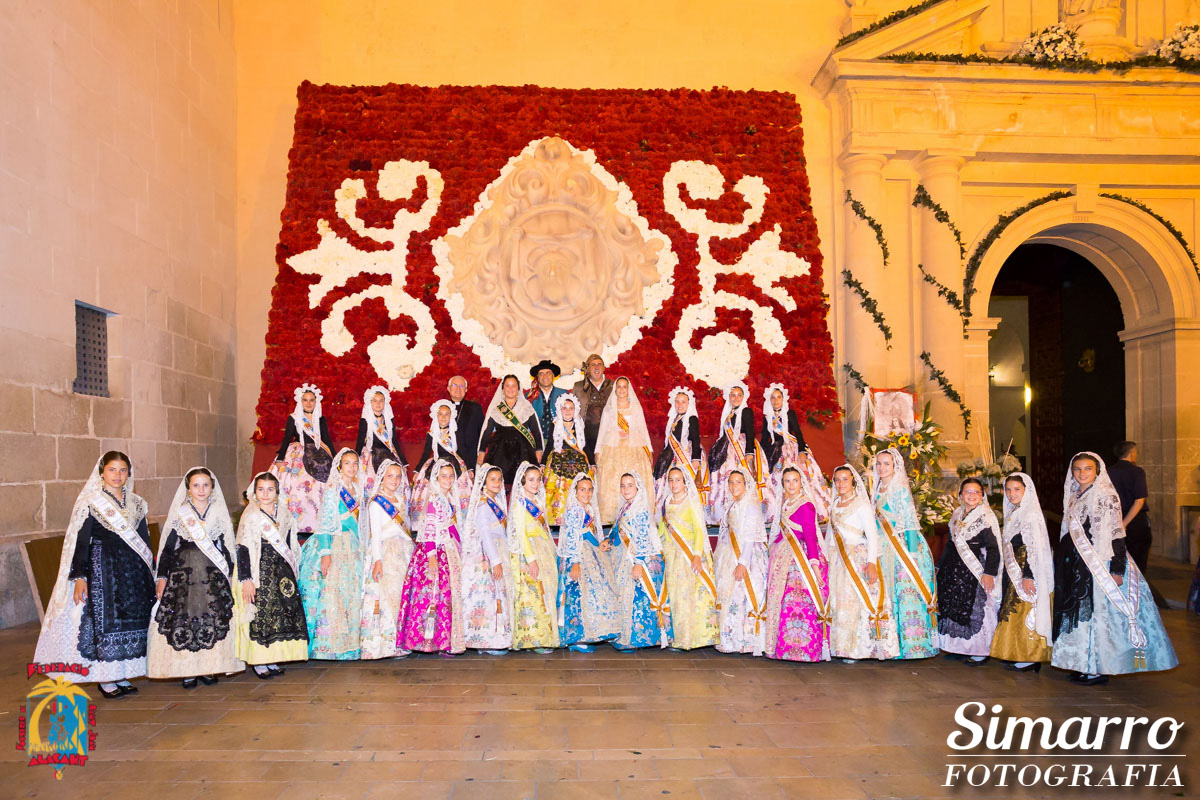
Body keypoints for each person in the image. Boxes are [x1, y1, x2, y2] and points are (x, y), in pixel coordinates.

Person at [34, 452, 155, 699]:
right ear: (102, 472)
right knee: (104, 623)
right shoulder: (90, 502)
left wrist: (150, 571)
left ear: (129, 473)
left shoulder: (137, 503)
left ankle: (121, 673)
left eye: (123, 470)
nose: (117, 475)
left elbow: (144, 539)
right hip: (102, 570)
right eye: (112, 469)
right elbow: (81, 543)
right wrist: (80, 577)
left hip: (132, 571)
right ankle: (105, 678)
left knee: (128, 622)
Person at [1052, 452, 1178, 684]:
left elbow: (1116, 532)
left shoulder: (1105, 495)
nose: (1082, 473)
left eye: (1088, 469)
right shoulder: (1074, 494)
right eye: (1077, 469)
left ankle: (1100, 668)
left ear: (1097, 471)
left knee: (1100, 617)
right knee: (1082, 614)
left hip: (1101, 561)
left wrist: (1117, 569)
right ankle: (1083, 663)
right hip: (1078, 564)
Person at [148, 467, 243, 687]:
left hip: (212, 574)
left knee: (211, 616)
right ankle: (188, 670)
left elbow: (227, 547)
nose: (201, 489)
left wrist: (231, 574)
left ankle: (208, 667)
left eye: (205, 485)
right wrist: (161, 577)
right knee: (185, 618)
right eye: (196, 485)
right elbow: (168, 548)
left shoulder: (218, 513)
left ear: (212, 488)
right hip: (184, 574)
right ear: (188, 489)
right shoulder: (181, 513)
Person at [234, 472, 308, 679]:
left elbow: (289, 543)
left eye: (270, 489)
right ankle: (259, 661)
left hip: (281, 568)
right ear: (254, 492)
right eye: (261, 489)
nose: (265, 494)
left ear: (277, 492)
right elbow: (242, 548)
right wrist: (246, 580)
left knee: (281, 613)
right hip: (259, 568)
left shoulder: (284, 514)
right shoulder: (250, 515)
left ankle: (273, 657)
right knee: (262, 613)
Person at [870, 448, 938, 659]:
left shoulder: (899, 488)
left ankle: (910, 647)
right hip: (883, 548)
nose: (882, 468)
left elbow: (909, 522)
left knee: (905, 595)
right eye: (879, 463)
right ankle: (889, 645)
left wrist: (913, 555)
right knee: (887, 595)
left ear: (895, 466)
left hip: (902, 548)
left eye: (886, 464)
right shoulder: (877, 487)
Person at [825, 464, 899, 661]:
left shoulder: (861, 504)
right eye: (837, 480)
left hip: (857, 557)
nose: (841, 483)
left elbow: (872, 535)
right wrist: (827, 555)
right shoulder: (835, 503)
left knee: (857, 601)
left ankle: (860, 649)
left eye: (845, 479)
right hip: (838, 557)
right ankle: (843, 647)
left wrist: (871, 562)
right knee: (841, 602)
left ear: (853, 481)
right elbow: (831, 533)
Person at [298, 448, 365, 660]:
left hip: (352, 545)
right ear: (339, 466)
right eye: (347, 463)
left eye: (355, 463)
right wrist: (325, 554)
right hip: (334, 544)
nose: (352, 467)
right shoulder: (333, 491)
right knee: (332, 591)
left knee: (351, 593)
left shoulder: (357, 489)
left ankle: (351, 644)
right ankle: (329, 646)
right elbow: (325, 524)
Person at [397, 460, 466, 656]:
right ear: (436, 478)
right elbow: (429, 529)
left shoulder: (447, 498)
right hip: (435, 550)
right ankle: (431, 640)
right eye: (444, 476)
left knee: (448, 595)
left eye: (451, 476)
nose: (448, 479)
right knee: (434, 595)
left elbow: (451, 526)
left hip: (448, 548)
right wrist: (431, 556)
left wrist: (460, 545)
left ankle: (447, 640)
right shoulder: (434, 500)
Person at [765, 467, 830, 662]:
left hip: (801, 561)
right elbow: (782, 532)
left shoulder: (806, 505)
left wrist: (815, 567)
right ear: (783, 484)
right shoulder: (786, 504)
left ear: (801, 482)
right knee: (783, 603)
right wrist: (772, 549)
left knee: (799, 604)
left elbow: (810, 537)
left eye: (795, 480)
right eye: (787, 481)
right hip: (784, 556)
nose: (791, 485)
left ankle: (804, 650)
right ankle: (784, 648)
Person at [990, 473, 1053, 672]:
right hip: (1014, 567)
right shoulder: (1015, 512)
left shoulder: (1030, 514)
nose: (1012, 493)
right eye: (1008, 489)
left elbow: (1034, 548)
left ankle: (1030, 657)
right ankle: (1017, 652)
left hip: (1027, 568)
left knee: (1026, 611)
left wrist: (1028, 576)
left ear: (1027, 490)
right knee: (1014, 611)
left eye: (1017, 489)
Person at [939, 478, 1002, 665]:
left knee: (976, 608)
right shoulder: (957, 513)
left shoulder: (986, 516)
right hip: (954, 568)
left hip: (975, 569)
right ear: (960, 495)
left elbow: (993, 548)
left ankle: (980, 650)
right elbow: (950, 544)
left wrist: (989, 573)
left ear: (982, 495)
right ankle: (958, 647)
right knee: (954, 606)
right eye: (968, 491)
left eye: (976, 492)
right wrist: (940, 566)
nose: (972, 495)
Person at [557, 474, 622, 651]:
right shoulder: (574, 510)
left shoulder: (589, 509)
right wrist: (575, 563)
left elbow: (593, 534)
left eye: (589, 490)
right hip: (578, 555)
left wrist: (600, 544)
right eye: (582, 490)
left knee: (596, 593)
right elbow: (572, 538)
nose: (586, 493)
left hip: (591, 553)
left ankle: (593, 633)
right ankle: (577, 638)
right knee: (580, 594)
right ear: (575, 492)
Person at [658, 466, 719, 650]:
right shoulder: (667, 501)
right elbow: (663, 529)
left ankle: (690, 639)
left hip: (689, 554)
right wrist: (658, 549)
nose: (674, 484)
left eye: (678, 480)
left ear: (685, 482)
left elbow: (699, 530)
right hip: (671, 555)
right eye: (671, 480)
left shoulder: (691, 501)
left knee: (688, 597)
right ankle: (676, 636)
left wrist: (697, 556)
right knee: (675, 597)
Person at [359, 460, 416, 660]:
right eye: (390, 476)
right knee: (386, 596)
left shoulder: (400, 498)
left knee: (402, 596)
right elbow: (375, 535)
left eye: (398, 476)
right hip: (385, 552)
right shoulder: (376, 502)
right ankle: (386, 644)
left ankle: (401, 641)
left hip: (403, 551)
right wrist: (378, 561)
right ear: (382, 478)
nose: (394, 480)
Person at [612, 473, 672, 650]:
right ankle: (626, 635)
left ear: (638, 487)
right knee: (625, 596)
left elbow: (643, 538)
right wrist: (608, 540)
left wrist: (638, 563)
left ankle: (639, 638)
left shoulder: (640, 509)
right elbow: (618, 530)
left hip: (640, 559)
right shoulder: (625, 507)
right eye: (623, 485)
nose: (626, 489)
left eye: (630, 485)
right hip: (625, 557)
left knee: (638, 597)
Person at [715, 467, 769, 655]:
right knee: (729, 596)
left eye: (738, 482)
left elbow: (750, 536)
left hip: (747, 556)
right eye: (731, 482)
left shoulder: (750, 505)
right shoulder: (733, 504)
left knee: (742, 595)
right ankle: (729, 639)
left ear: (746, 484)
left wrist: (743, 563)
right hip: (730, 554)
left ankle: (747, 641)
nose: (734, 486)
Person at [460, 465, 513, 654]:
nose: (497, 483)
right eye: (492, 479)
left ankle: (495, 639)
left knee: (498, 596)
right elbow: (485, 534)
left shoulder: (494, 501)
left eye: (499, 479)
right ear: (484, 482)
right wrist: (496, 560)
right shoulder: (483, 505)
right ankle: (485, 640)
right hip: (486, 555)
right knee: (488, 597)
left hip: (497, 550)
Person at [1107, 441, 1167, 608]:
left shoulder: (1108, 471)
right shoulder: (1136, 471)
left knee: (1117, 561)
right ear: (1132, 453)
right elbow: (1139, 501)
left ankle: (1118, 598)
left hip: (1114, 520)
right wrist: (1125, 523)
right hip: (1134, 522)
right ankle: (1138, 601)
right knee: (1137, 564)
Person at [507, 462, 559, 652]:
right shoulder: (520, 503)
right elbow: (521, 534)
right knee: (533, 595)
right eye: (531, 480)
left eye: (537, 480)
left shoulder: (537, 500)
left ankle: (546, 635)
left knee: (546, 592)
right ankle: (533, 639)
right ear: (523, 481)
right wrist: (531, 560)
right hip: (528, 552)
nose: (535, 483)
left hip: (542, 547)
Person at [706, 382, 771, 526]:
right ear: (729, 397)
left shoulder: (746, 411)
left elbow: (750, 432)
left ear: (743, 397)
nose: (736, 398)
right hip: (728, 449)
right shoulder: (728, 413)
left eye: (739, 395)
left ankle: (748, 512)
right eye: (733, 395)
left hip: (742, 448)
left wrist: (749, 453)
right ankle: (726, 513)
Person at [273, 384, 335, 534]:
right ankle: (296, 525)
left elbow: (326, 440)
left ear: (316, 401)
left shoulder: (320, 419)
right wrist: (280, 459)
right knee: (296, 487)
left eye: (311, 400)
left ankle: (317, 523)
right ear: (300, 402)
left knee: (320, 488)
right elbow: (286, 439)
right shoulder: (294, 418)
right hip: (298, 455)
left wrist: (335, 459)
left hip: (320, 456)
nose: (308, 403)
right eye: (305, 400)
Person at [593, 376, 656, 524]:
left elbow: (643, 429)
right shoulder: (609, 410)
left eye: (624, 387)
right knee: (611, 485)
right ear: (615, 389)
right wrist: (597, 451)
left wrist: (650, 449)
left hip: (634, 449)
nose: (621, 389)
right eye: (619, 386)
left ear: (628, 389)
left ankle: (636, 517)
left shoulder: (636, 408)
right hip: (612, 449)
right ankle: (611, 519)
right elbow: (602, 431)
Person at [412, 400, 473, 525]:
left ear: (451, 416)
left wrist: (470, 468)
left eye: (446, 414)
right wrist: (417, 471)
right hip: (436, 465)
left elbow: (463, 451)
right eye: (441, 414)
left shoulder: (456, 432)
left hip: (455, 465)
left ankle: (458, 521)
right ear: (436, 416)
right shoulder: (431, 434)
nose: (444, 417)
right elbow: (425, 454)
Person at [478, 375, 544, 486]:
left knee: (524, 482)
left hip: (523, 450)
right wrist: (481, 452)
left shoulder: (526, 407)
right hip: (499, 451)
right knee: (498, 482)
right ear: (503, 389)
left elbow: (536, 431)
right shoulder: (496, 408)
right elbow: (487, 431)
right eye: (507, 385)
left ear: (518, 388)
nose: (510, 388)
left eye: (513, 385)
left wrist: (539, 450)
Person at [652, 386, 707, 509]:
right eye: (677, 401)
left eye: (683, 402)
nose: (680, 404)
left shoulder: (692, 418)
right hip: (673, 455)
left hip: (686, 454)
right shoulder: (674, 418)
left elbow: (695, 439)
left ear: (689, 403)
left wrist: (696, 459)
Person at [543, 394, 591, 525]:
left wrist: (592, 463)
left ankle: (580, 517)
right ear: (560, 409)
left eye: (571, 408)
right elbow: (550, 444)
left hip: (578, 461)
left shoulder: (579, 424)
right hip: (558, 460)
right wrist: (542, 463)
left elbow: (586, 446)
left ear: (576, 410)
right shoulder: (555, 424)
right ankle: (557, 518)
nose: (568, 411)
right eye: (565, 408)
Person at [354, 385, 408, 494]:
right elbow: (360, 441)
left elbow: (394, 441)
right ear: (370, 402)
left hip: (388, 454)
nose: (378, 404)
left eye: (381, 401)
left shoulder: (388, 420)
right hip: (371, 454)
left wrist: (403, 461)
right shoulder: (365, 420)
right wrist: (356, 459)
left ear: (385, 402)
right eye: (375, 401)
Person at [572, 354, 614, 461]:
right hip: (585, 437)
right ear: (588, 368)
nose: (596, 367)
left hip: (609, 436)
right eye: (593, 365)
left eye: (599, 364)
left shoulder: (613, 386)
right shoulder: (578, 387)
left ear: (604, 368)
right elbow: (572, 412)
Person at [760, 383, 807, 474]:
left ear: (783, 398)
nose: (776, 400)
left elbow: (798, 433)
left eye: (779, 397)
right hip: (774, 448)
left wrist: (802, 451)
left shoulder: (789, 414)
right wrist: (759, 452)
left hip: (790, 447)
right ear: (769, 400)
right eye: (773, 398)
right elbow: (765, 438)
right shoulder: (767, 417)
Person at [527, 359, 569, 449]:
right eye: (541, 373)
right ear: (537, 377)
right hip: (535, 440)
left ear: (553, 376)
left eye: (548, 373)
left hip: (559, 440)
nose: (545, 376)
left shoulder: (564, 394)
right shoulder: (529, 396)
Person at [447, 375, 485, 468]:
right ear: (448, 388)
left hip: (470, 457)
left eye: (461, 386)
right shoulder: (442, 407)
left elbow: (483, 433)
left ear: (466, 390)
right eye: (455, 385)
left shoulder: (475, 408)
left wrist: (481, 452)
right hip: (447, 456)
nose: (458, 389)